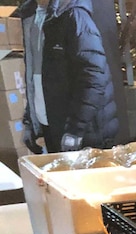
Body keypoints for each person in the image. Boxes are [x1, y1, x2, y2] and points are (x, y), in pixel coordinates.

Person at [18, 0, 119, 154]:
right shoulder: (31, 16)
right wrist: (31, 121)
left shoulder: (74, 14)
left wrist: (75, 130)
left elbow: (93, 76)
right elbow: (36, 78)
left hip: (84, 131)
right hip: (53, 126)